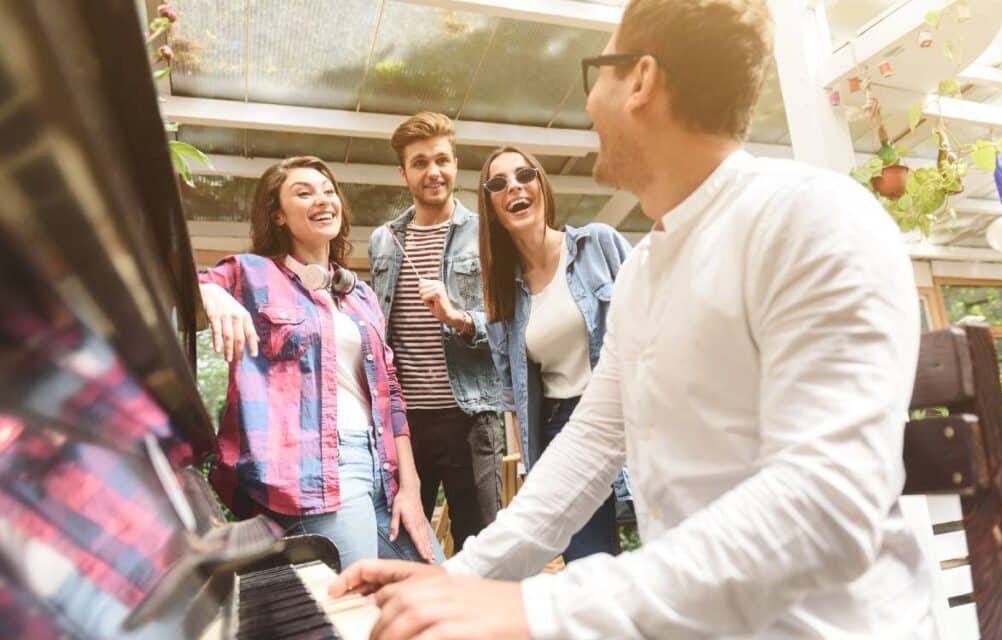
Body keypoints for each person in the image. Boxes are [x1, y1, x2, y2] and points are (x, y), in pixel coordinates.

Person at [328, 1, 938, 638]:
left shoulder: (811, 219)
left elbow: (826, 510)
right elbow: (588, 447)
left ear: (641, 81)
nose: (589, 103)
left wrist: (539, 609)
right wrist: (455, 578)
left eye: (598, 74)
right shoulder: (646, 269)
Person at [197, 156, 441, 569]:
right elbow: (180, 283)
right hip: (318, 473)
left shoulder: (359, 295)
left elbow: (391, 395)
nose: (322, 199)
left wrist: (411, 487)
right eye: (303, 192)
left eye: (328, 191)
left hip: (383, 468)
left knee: (439, 590)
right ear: (278, 214)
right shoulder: (252, 274)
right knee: (353, 611)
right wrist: (211, 293)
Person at [478, 145, 631, 562]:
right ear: (491, 208)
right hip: (563, 432)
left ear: (541, 185)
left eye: (524, 175)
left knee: (664, 548)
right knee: (588, 566)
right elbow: (512, 395)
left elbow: (656, 319)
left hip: (630, 411)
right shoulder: (501, 298)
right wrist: (531, 470)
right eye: (498, 183)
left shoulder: (599, 245)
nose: (514, 186)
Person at [366, 113, 503, 552]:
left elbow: (507, 324)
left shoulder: (486, 234)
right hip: (406, 425)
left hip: (470, 414)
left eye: (442, 160)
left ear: (456, 164)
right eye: (420, 162)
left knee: (479, 546)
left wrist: (459, 317)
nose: (434, 172)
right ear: (403, 173)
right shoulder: (383, 241)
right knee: (406, 545)